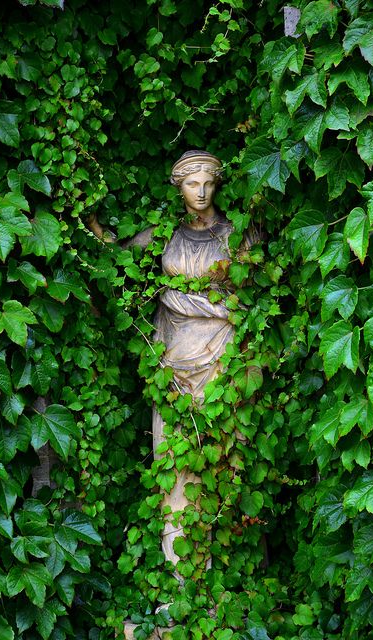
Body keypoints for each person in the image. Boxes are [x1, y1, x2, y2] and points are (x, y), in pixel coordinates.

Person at [88, 150, 259, 574]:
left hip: (222, 357)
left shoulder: (239, 234)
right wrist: (88, 222)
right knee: (176, 462)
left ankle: (221, 573)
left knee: (221, 455)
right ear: (178, 186)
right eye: (191, 184)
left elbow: (252, 293)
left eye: (208, 183)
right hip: (175, 359)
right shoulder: (165, 235)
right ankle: (179, 574)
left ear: (217, 184)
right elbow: (117, 252)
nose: (200, 193)